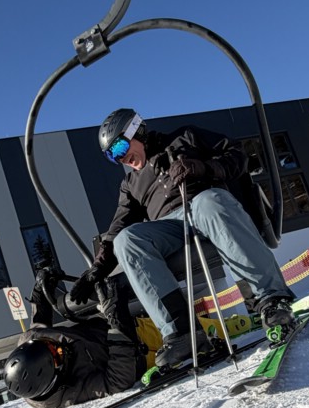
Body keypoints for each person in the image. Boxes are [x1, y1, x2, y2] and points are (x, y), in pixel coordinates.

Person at [68, 108, 295, 368]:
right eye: (112, 156)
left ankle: (270, 300)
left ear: (136, 131)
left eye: (119, 148)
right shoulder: (130, 184)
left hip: (205, 207)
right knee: (125, 241)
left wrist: (204, 168)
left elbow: (236, 154)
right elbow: (118, 227)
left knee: (210, 201)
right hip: (170, 228)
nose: (121, 158)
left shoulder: (185, 138)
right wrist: (96, 270)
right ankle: (181, 333)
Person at [3, 267, 146, 408]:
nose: (59, 346)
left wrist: (41, 287)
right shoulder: (70, 392)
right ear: (55, 375)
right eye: (57, 354)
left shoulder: (32, 339)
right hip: (138, 349)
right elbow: (117, 381)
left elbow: (40, 319)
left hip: (106, 322)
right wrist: (116, 320)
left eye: (49, 343)